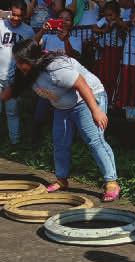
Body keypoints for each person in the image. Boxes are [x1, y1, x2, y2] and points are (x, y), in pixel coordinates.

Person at [0, 39, 121, 201]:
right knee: (60, 141)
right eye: (17, 60)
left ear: (32, 60)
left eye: (21, 61)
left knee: (94, 140)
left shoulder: (55, 67)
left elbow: (81, 84)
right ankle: (62, 180)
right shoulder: (26, 73)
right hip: (63, 106)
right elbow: (8, 93)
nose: (18, 64)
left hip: (87, 98)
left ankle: (111, 182)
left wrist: (96, 110)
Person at [32, 7, 82, 144]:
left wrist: (66, 40)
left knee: (67, 117)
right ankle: (37, 144)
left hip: (67, 85)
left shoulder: (76, 39)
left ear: (72, 23)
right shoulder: (48, 37)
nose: (64, 22)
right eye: (61, 18)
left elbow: (75, 57)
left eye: (68, 19)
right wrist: (43, 30)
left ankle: (68, 143)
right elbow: (32, 46)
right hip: (47, 84)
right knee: (40, 115)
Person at [0, 0, 34, 145]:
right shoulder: (1, 25)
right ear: (9, 12)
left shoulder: (28, 31)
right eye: (13, 15)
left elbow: (31, 56)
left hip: (14, 79)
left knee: (12, 112)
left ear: (24, 15)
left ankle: (15, 144)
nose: (15, 18)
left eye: (19, 16)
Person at [92, 0, 127, 104]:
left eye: (111, 15)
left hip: (118, 50)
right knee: (105, 74)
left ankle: (114, 99)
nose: (108, 17)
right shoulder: (104, 20)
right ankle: (105, 98)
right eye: (106, 15)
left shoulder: (121, 20)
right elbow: (94, 28)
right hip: (107, 49)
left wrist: (117, 22)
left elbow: (126, 27)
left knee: (115, 74)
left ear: (117, 14)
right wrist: (104, 30)